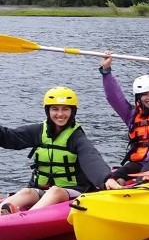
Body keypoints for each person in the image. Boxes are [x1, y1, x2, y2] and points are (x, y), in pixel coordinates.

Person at [1, 86, 121, 214]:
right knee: (26, 192)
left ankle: (24, 218)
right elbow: (10, 138)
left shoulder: (76, 137)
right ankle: (4, 211)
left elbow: (91, 157)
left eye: (65, 109)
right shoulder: (38, 131)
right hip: (41, 189)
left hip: (75, 190)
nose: (60, 114)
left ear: (72, 111)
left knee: (55, 191)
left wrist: (106, 179)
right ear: (48, 111)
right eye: (55, 109)